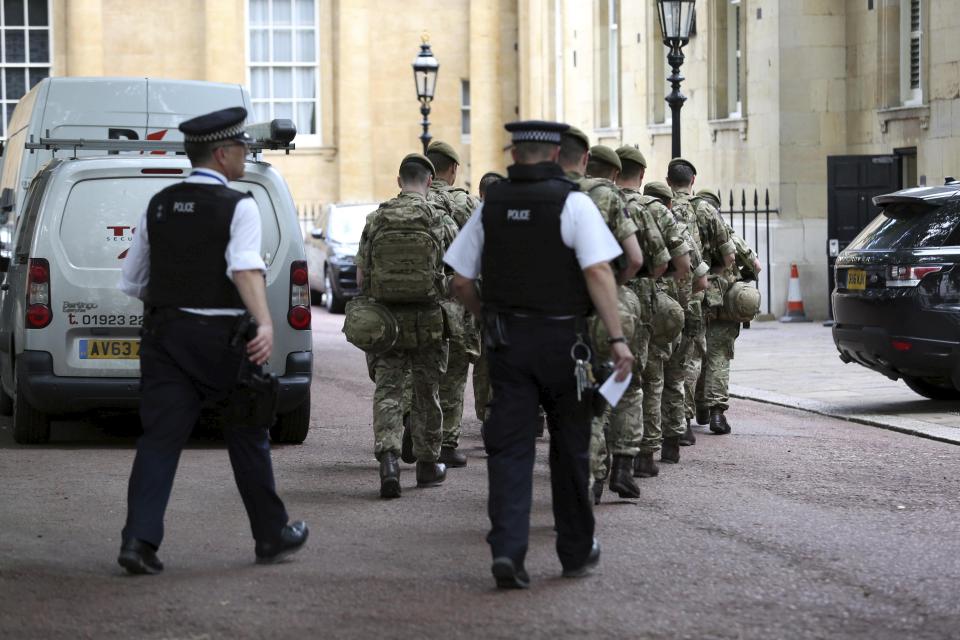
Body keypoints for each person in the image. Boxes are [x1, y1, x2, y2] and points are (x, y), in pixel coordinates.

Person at [116, 107, 307, 574]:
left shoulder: (158, 204)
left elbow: (132, 280)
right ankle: (270, 535)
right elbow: (244, 267)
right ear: (222, 154)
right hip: (224, 340)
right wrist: (264, 323)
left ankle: (138, 542)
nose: (244, 156)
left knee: (160, 440)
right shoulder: (239, 205)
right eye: (240, 148)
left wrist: (176, 303)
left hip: (165, 338)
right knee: (247, 434)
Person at [444, 120, 634, 589]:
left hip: (508, 344)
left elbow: (460, 281)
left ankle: (508, 550)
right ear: (555, 156)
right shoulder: (573, 203)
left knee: (509, 449)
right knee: (570, 450)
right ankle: (574, 551)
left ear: (514, 155)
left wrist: (488, 316)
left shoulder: (491, 206)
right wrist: (616, 337)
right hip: (564, 344)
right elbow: (598, 272)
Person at [356, 153, 449, 498]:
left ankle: (389, 462)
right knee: (427, 390)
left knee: (389, 390)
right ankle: (427, 465)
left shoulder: (376, 219)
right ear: (429, 181)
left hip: (387, 323)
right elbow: (456, 270)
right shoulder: (438, 218)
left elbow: (362, 276)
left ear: (399, 181)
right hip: (427, 320)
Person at [425, 140, 481, 467]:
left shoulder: (413, 200)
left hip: (417, 301)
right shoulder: (466, 205)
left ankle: (414, 426)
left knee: (418, 370)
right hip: (456, 301)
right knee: (455, 371)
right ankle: (447, 443)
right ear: (454, 169)